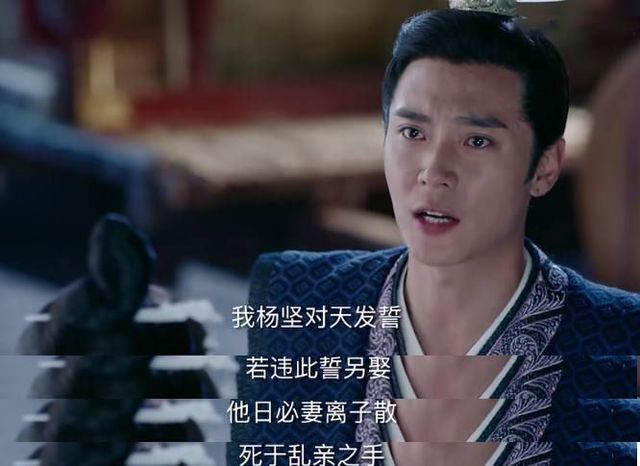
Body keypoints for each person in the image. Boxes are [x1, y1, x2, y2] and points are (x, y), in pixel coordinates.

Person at [231, 5, 640, 466]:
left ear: (545, 167)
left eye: (477, 141)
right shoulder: (297, 299)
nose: (434, 171)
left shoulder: (619, 338)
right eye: (412, 132)